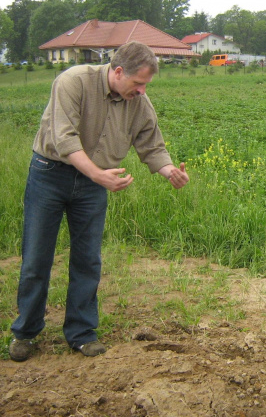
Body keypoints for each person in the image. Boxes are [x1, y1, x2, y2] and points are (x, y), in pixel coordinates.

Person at [9, 41, 190, 362]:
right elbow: (64, 138)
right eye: (138, 83)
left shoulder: (139, 102)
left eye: (147, 84)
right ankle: (26, 331)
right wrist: (98, 174)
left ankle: (80, 332)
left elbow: (151, 144)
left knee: (88, 259)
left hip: (93, 185)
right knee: (37, 257)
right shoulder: (73, 81)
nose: (143, 90)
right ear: (118, 71)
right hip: (49, 174)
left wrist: (169, 171)